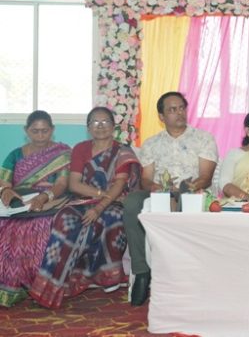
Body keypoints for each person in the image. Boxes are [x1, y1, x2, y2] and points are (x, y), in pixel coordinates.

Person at [28, 107, 141, 309]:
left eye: (105, 122)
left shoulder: (122, 152)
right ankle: (51, 285)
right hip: (83, 200)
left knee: (109, 219)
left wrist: (99, 208)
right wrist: (99, 195)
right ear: (88, 128)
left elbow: (119, 185)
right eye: (95, 122)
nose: (100, 126)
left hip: (113, 203)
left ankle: (101, 276)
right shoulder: (81, 148)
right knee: (65, 219)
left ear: (113, 126)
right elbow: (74, 184)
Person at [123, 91, 218, 306]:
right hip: (159, 192)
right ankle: (142, 271)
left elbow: (205, 177)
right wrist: (159, 189)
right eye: (172, 109)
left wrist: (186, 189)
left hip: (192, 190)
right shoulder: (151, 143)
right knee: (132, 203)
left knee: (187, 201)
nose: (179, 113)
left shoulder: (203, 138)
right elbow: (146, 179)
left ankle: (184, 275)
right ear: (161, 116)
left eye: (182, 108)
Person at [0, 111, 71, 307]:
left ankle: (39, 287)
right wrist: (6, 190)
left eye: (45, 131)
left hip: (49, 202)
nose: (40, 136)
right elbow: (4, 181)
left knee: (37, 226)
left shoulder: (62, 154)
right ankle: (10, 287)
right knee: (7, 227)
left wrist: (44, 196)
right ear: (26, 131)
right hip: (18, 204)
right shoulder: (15, 155)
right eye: (35, 131)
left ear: (52, 130)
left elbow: (62, 184)